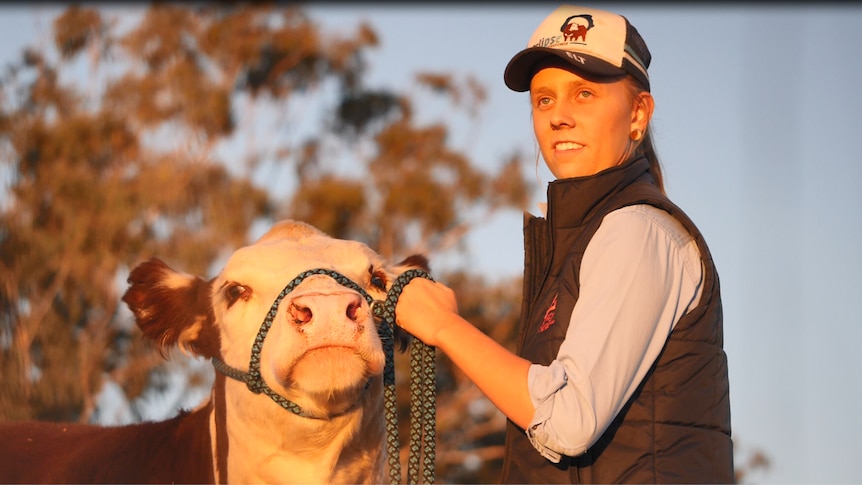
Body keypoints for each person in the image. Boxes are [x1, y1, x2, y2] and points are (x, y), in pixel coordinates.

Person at [394, 4, 733, 483]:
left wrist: (444, 327)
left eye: (584, 93)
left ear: (638, 113)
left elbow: (569, 421)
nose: (559, 117)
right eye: (544, 99)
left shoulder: (638, 230)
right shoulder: (582, 240)